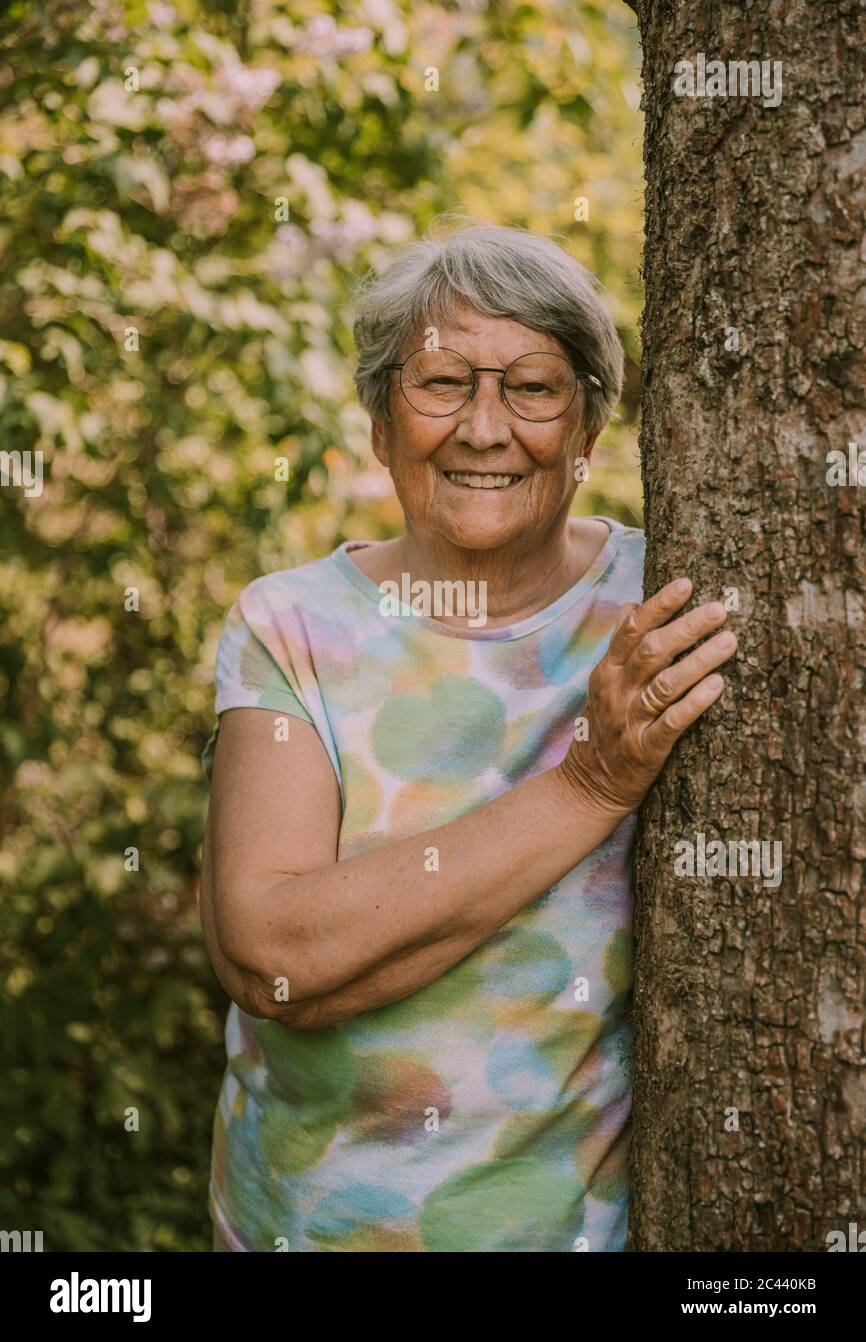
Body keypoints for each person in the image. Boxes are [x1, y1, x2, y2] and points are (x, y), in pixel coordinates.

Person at [199, 222, 737, 1252]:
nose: (483, 428)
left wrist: (345, 946)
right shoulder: (291, 625)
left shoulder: (658, 612)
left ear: (588, 427)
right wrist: (588, 786)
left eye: (531, 387)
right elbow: (272, 956)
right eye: (440, 383)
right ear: (377, 423)